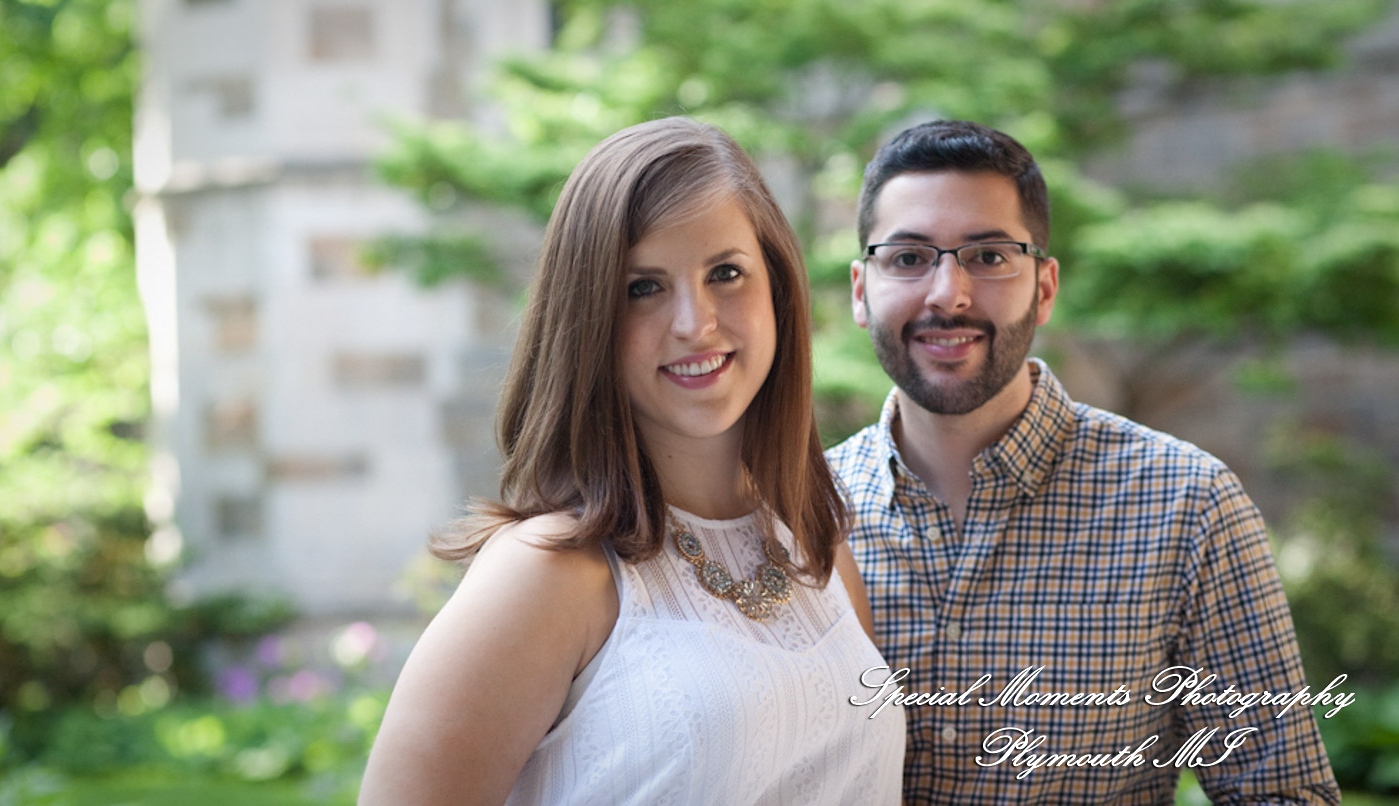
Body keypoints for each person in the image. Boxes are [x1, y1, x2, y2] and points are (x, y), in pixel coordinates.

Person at [358, 117, 906, 805]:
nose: (695, 323)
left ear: (778, 290)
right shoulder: (545, 575)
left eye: (726, 273)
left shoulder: (819, 546)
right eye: (642, 287)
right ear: (587, 319)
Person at [826, 119, 1340, 804]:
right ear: (861, 290)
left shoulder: (1189, 505)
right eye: (909, 257)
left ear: (1044, 288)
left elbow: (1282, 792)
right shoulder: (796, 514)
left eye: (989, 255)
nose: (948, 293)